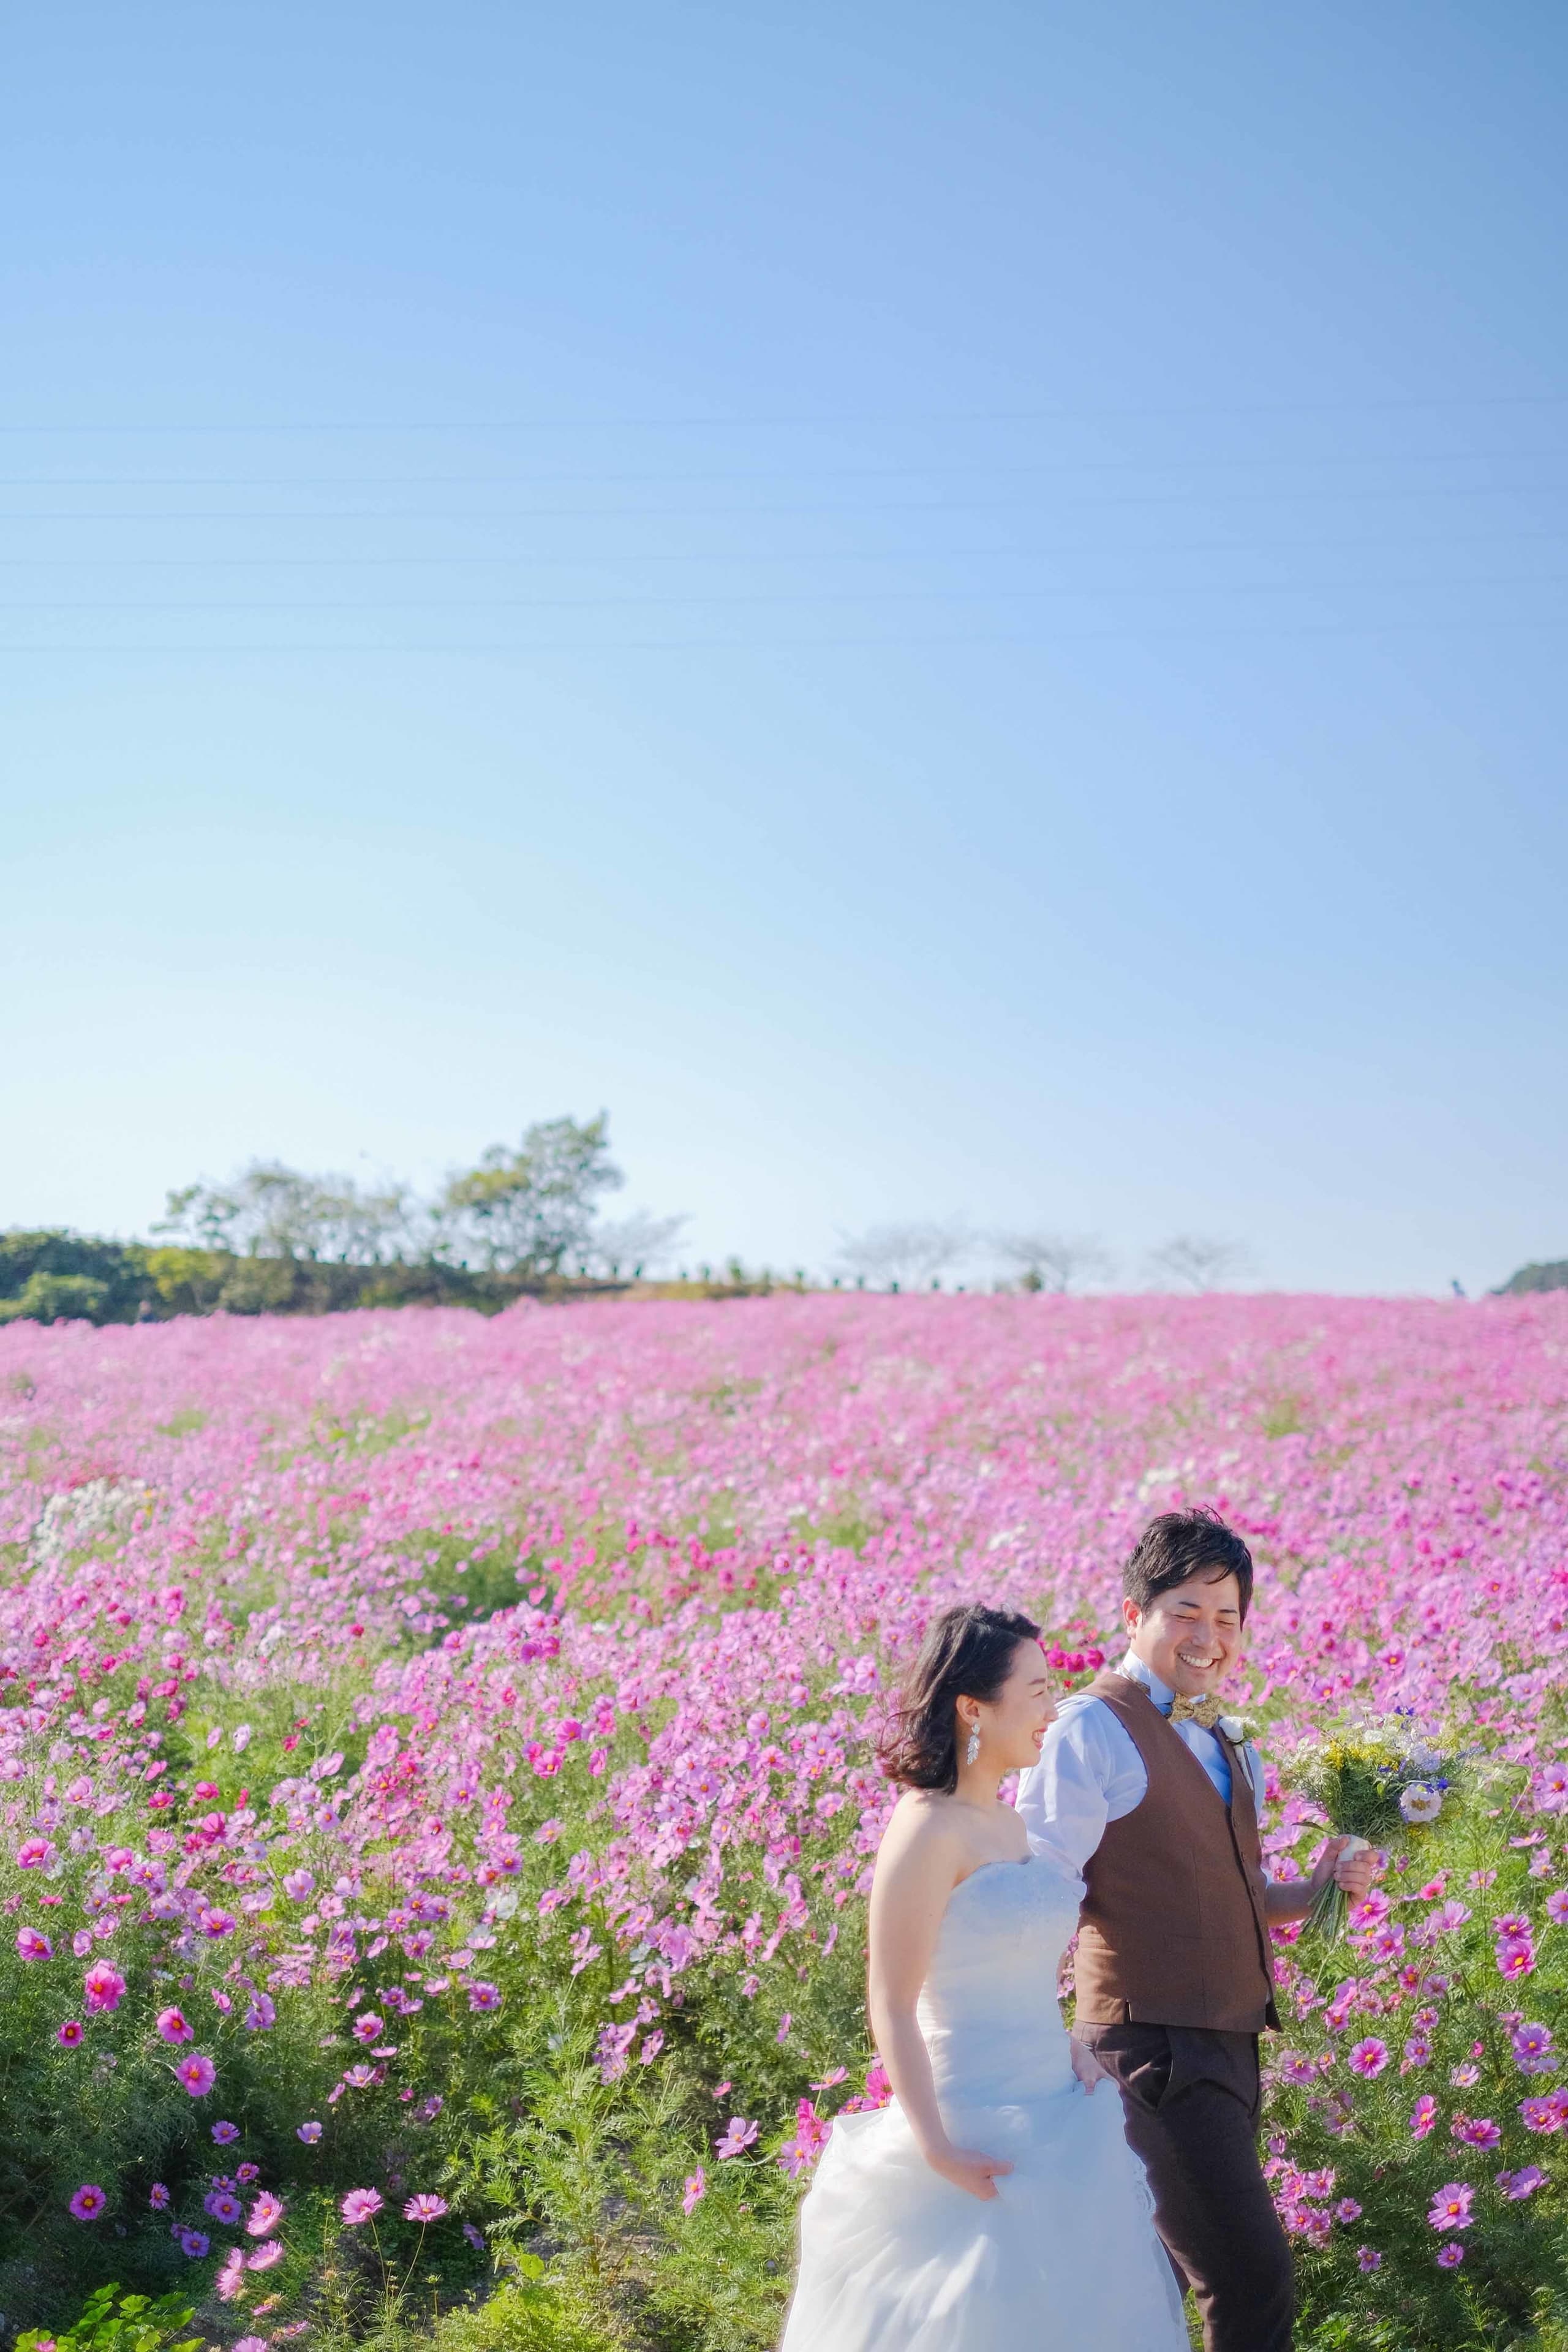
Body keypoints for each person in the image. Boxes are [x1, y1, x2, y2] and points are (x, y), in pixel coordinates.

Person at [1016, 1507, 1379, 2352]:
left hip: (1228, 2046)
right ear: (1133, 1614)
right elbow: (1042, 1890)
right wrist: (1038, 2039)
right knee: (1249, 2281)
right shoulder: (1090, 1730)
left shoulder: (1227, 1738)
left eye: (1228, 1618)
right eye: (1187, 1611)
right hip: (1148, 2050)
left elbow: (1235, 1892)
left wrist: (1318, 1888)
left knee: (1144, 2289)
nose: (1209, 1636)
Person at [779, 1604, 1186, 2352]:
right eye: (1034, 1691)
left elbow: (1014, 1964)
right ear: (973, 1707)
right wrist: (935, 2147)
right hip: (970, 2125)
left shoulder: (1011, 1825)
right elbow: (892, 2002)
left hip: (1058, 2117)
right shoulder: (925, 1828)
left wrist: (1066, 2043)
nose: (1053, 1709)